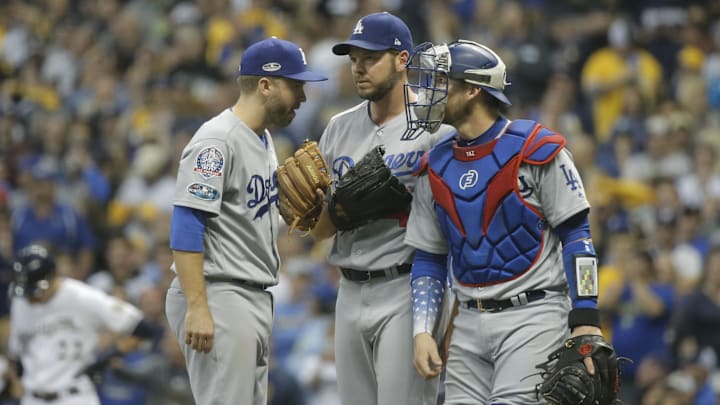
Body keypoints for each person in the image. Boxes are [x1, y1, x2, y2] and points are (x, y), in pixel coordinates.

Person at [403, 39, 609, 404]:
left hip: (533, 315)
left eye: (440, 81)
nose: (427, 91)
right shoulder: (433, 164)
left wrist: (586, 315)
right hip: (466, 322)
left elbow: (576, 235)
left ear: (471, 90)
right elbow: (429, 258)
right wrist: (422, 331)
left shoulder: (536, 147)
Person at [164, 37, 326, 405]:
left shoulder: (263, 138)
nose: (302, 97)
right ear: (265, 85)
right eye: (295, 85)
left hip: (247, 294)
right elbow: (187, 222)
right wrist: (198, 306)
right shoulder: (217, 140)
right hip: (219, 293)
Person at [310, 12, 453, 405]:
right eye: (353, 58)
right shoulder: (338, 127)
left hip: (406, 287)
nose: (358, 68)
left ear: (402, 59)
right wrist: (330, 212)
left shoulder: (436, 129)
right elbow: (320, 230)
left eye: (370, 58)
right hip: (349, 289)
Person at [7, 244, 155, 405]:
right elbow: (16, 353)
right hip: (32, 398)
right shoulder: (21, 302)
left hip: (74, 397)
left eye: (36, 292)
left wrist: (106, 358)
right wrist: (15, 381)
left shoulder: (82, 297)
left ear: (54, 275)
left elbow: (142, 328)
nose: (31, 299)